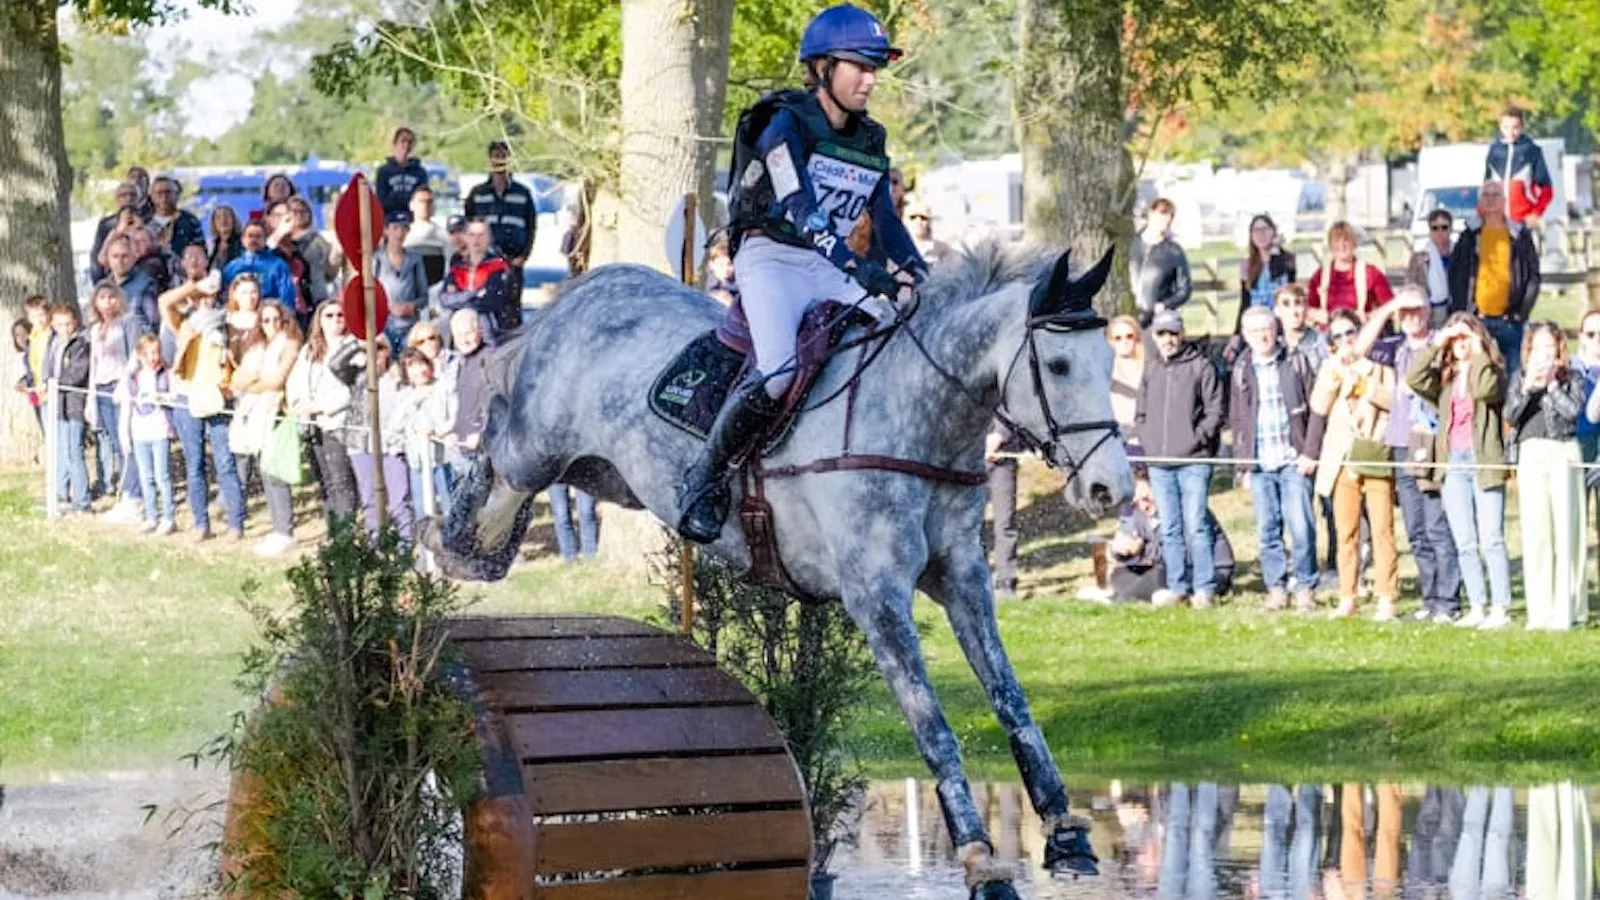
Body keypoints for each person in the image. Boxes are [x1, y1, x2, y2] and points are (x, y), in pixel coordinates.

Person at [675, 4, 926, 543]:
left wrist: (916, 272)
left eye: (875, 67)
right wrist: (866, 273)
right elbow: (801, 209)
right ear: (820, 69)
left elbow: (883, 218)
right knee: (779, 372)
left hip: (824, 263)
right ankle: (705, 478)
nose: (870, 78)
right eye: (858, 65)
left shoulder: (870, 138)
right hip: (771, 258)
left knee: (887, 338)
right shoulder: (783, 124)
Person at [1357, 288, 1461, 623]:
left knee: (1436, 524)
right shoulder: (1397, 347)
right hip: (1402, 442)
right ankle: (1431, 599)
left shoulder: (1441, 344)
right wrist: (1389, 307)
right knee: (1415, 527)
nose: (1412, 317)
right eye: (1407, 312)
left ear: (1429, 311)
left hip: (1430, 442)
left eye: (1417, 310)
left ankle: (1448, 600)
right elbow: (1361, 348)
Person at [1407, 314, 1512, 630]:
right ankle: (1477, 604)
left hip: (1483, 462)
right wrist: (1438, 340)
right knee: (1464, 540)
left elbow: (1484, 392)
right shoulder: (1445, 380)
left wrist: (1480, 352)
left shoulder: (1492, 371)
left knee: (1491, 538)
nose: (1461, 345)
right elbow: (1414, 377)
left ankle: (1500, 607)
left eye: (1466, 338)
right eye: (1457, 340)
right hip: (1452, 462)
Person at [1309, 309, 1398, 620]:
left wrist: (1367, 387)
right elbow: (1318, 407)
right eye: (1338, 335)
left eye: (1351, 333)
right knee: (1345, 531)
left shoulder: (1381, 369)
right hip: (1341, 460)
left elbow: (1398, 410)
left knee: (1382, 528)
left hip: (1373, 455)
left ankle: (1387, 596)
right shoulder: (1329, 370)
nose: (1346, 339)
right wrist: (1337, 377)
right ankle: (1348, 596)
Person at [1230, 306, 1319, 613]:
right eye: (1254, 331)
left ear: (1276, 329)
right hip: (1260, 463)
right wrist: (1242, 465)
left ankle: (1305, 585)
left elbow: (1316, 409)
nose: (1262, 336)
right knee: (1268, 529)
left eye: (1266, 329)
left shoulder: (1295, 362)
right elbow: (1238, 421)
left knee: (1301, 527)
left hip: (1293, 459)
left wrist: (1310, 451)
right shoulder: (1242, 368)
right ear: (1245, 335)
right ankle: (1276, 587)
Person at [1134, 311, 1224, 608]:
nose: (1168, 339)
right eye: (1161, 334)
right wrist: (1148, 441)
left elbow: (1215, 412)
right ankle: (1177, 586)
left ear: (1182, 334)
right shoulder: (1150, 369)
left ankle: (1204, 588)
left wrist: (1196, 439)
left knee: (1196, 525)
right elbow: (1141, 413)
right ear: (1154, 337)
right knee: (1170, 527)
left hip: (1194, 462)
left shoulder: (1201, 367)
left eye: (1173, 333)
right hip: (1160, 463)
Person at [1509, 321, 1587, 631]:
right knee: (1536, 532)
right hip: (1532, 452)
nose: (1543, 353)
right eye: (1538, 347)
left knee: (1568, 531)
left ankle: (1569, 608)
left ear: (1558, 350)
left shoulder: (1573, 379)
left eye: (1549, 347)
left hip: (1563, 451)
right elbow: (1511, 415)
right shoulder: (1520, 378)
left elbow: (1571, 413)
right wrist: (1529, 386)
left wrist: (1552, 386)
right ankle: (1539, 611)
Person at [160, 267, 247, 541]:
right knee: (194, 463)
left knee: (225, 461)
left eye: (212, 296)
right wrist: (195, 285)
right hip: (187, 396)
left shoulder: (227, 323)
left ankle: (236, 523)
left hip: (219, 397)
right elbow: (164, 302)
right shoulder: (184, 324)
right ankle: (201, 523)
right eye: (201, 298)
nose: (207, 301)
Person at [1091, 468, 1236, 603]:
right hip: (1167, 570)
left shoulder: (1186, 511)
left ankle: (1121, 597)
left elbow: (1183, 555)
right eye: (1137, 501)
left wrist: (1143, 552)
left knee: (1159, 575)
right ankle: (1137, 593)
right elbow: (1134, 547)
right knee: (1120, 574)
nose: (1143, 505)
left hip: (1208, 571)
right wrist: (1120, 552)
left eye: (1147, 498)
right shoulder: (1140, 515)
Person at [1446, 180, 1540, 381]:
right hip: (1477, 319)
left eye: (1495, 195)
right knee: (1478, 378)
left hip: (1510, 321)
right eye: (1486, 195)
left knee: (1515, 379)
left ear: (1504, 201)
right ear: (1480, 201)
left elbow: (1533, 276)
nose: (1490, 200)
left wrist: (1521, 312)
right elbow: (1456, 274)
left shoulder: (1518, 234)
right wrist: (1462, 310)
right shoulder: (1470, 235)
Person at [287, 299, 362, 524]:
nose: (335, 320)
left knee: (342, 481)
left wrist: (322, 407)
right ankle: (333, 533)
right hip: (312, 424)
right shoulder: (309, 349)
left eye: (340, 315)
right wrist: (300, 405)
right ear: (319, 319)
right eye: (328, 316)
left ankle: (346, 536)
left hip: (339, 423)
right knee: (325, 481)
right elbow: (295, 382)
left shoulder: (354, 347)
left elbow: (354, 390)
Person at [342, 335, 414, 541]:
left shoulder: (399, 376)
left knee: (399, 498)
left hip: (392, 445)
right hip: (360, 444)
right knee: (370, 498)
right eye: (369, 350)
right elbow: (335, 363)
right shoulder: (355, 376)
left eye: (380, 348)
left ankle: (405, 545)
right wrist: (357, 344)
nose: (374, 353)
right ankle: (374, 543)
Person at [250, 302, 304, 557]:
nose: (272, 326)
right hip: (262, 412)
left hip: (282, 412)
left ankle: (285, 531)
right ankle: (277, 527)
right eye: (266, 320)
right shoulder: (262, 348)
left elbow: (276, 380)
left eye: (276, 320)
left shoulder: (290, 344)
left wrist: (251, 385)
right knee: (266, 471)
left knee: (277, 472)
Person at [86, 283, 141, 522]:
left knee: (127, 441)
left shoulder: (128, 322)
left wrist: (124, 381)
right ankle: (126, 491)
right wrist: (90, 396)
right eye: (102, 297)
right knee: (114, 444)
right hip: (101, 388)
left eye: (111, 297)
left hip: (122, 388)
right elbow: (93, 364)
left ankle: (134, 496)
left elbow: (135, 355)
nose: (107, 302)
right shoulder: (95, 329)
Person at [465, 140, 535, 307]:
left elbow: (531, 227)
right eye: (496, 156)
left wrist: (523, 256)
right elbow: (468, 225)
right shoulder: (478, 193)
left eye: (503, 156)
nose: (499, 160)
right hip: (485, 262)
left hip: (513, 261)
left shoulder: (522, 193)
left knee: (511, 311)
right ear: (489, 159)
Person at [121, 334, 176, 535]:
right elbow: (126, 403)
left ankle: (168, 516)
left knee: (162, 475)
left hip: (160, 429)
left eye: (156, 353)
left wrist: (160, 397)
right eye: (147, 354)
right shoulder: (134, 377)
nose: (152, 358)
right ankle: (151, 515)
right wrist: (125, 433)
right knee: (146, 476)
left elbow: (174, 397)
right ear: (139, 356)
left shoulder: (166, 374)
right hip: (139, 431)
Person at [44, 301, 92, 516]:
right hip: (57, 405)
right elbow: (47, 367)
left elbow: (77, 373)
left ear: (75, 323)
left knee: (75, 452)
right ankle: (61, 494)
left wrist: (56, 383)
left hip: (74, 405)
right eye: (60, 325)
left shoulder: (81, 344)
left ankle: (82, 501)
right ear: (53, 325)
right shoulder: (53, 342)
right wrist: (46, 382)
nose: (65, 329)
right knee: (61, 451)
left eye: (68, 324)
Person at [398, 347, 454, 524]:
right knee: (422, 513)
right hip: (418, 463)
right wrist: (414, 401)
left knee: (450, 507)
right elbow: (395, 424)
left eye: (422, 363)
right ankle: (426, 550)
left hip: (443, 459)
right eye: (411, 366)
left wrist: (438, 431)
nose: (419, 369)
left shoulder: (442, 386)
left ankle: (456, 549)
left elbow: (453, 416)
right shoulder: (405, 395)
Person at [439, 219, 514, 345]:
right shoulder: (457, 267)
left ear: (489, 238)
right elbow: (444, 299)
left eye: (481, 235)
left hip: (488, 333)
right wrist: (472, 294)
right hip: (458, 331)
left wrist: (458, 299)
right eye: (472, 235)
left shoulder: (498, 266)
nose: (476, 240)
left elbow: (491, 301)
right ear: (466, 238)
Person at [1306, 221, 1393, 324]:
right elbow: (1307, 309)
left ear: (1354, 244)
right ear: (1330, 245)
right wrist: (1317, 315)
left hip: (1362, 332)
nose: (1341, 245)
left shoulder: (1371, 273)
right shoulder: (1319, 276)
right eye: (1336, 241)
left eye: (1346, 240)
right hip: (1329, 333)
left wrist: (1369, 316)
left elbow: (1390, 306)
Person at [443, 309, 491, 488]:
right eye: (458, 335)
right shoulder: (459, 362)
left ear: (480, 330)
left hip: (484, 448)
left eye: (468, 333)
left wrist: (482, 434)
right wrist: (453, 430)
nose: (464, 340)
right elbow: (462, 403)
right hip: (462, 446)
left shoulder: (490, 358)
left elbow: (497, 402)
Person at [1484, 104, 1553, 225]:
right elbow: (1486, 187)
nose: (1511, 132)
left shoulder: (1532, 151)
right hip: (1497, 222)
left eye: (1515, 127)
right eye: (1506, 127)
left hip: (1523, 222)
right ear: (1500, 127)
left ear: (1521, 127)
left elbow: (1547, 189)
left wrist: (1536, 213)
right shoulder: (1494, 151)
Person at [1129, 198, 1192, 327]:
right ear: (1151, 214)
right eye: (1162, 213)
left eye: (1169, 216)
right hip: (1128, 316)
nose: (1164, 220)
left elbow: (1184, 289)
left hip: (1157, 319)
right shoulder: (1131, 245)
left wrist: (1164, 305)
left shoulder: (1174, 252)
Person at [376, 209, 430, 351]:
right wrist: (389, 307)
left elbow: (424, 296)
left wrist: (412, 306)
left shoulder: (415, 259)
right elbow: (369, 296)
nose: (399, 233)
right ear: (386, 230)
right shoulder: (376, 260)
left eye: (404, 228)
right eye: (395, 228)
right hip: (385, 327)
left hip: (410, 326)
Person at [1232, 213, 1296, 334]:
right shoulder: (1247, 265)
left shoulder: (1287, 260)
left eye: (1265, 229)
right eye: (1256, 230)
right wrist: (1236, 333)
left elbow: (1275, 274)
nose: (1261, 234)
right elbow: (1245, 301)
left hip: (1280, 323)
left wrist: (1275, 249)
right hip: (1256, 323)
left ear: (1273, 232)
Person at [222, 219, 297, 307]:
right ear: (242, 240)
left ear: (265, 240)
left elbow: (287, 297)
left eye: (258, 236)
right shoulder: (232, 267)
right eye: (250, 236)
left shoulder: (278, 265)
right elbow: (224, 295)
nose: (254, 240)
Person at [985, 421, 1022, 599]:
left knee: (1005, 524)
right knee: (970, 523)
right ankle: (975, 578)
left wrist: (1000, 435)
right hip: (970, 456)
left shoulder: (1009, 392)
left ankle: (1006, 582)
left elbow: (1014, 411)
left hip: (1004, 459)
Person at [103, 235, 160, 337]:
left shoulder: (146, 285)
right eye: (115, 256)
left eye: (124, 256)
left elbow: (153, 326)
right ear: (108, 259)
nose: (119, 261)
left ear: (134, 258)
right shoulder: (103, 289)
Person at [1406, 209, 1454, 325]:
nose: (1440, 232)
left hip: (1455, 309)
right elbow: (1411, 286)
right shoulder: (1419, 258)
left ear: (1450, 229)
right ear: (1429, 230)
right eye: (1435, 228)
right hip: (1430, 312)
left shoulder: (1459, 254)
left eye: (1444, 227)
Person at [89, 182, 141, 283]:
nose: (128, 198)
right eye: (123, 195)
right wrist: (118, 232)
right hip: (113, 273)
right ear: (117, 200)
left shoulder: (147, 220)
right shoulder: (106, 224)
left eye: (132, 195)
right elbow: (98, 256)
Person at [287, 195, 334, 306]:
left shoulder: (318, 240)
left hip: (316, 295)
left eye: (303, 211)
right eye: (294, 211)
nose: (299, 214)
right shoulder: (282, 241)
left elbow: (329, 272)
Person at [1106, 315, 1144, 445]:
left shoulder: (1149, 367)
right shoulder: (1105, 370)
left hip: (1145, 441)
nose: (1125, 341)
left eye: (1129, 336)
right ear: (1110, 341)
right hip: (1115, 440)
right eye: (1118, 338)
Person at [1274, 284, 1328, 371]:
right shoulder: (1274, 345)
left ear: (1306, 308)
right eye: (1286, 304)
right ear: (1277, 311)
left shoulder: (1321, 342)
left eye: (1298, 304)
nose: (1293, 311)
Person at [376, 127, 429, 216]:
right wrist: (402, 198)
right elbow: (381, 200)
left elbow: (422, 199)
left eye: (410, 142)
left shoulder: (420, 172)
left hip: (412, 220)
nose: (406, 145)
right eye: (403, 141)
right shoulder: (384, 171)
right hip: (390, 220)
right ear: (395, 143)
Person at [147, 176, 204, 259]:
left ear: (177, 194)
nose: (164, 197)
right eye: (159, 193)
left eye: (168, 192)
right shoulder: (143, 222)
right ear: (151, 196)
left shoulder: (190, 220)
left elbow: (200, 250)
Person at [903, 195, 955, 267]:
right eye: (913, 217)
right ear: (904, 220)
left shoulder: (943, 249)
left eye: (923, 217)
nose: (918, 221)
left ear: (930, 221)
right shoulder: (897, 247)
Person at [208, 204, 244, 273]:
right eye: (218, 217)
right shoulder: (212, 247)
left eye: (227, 216)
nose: (223, 220)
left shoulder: (242, 243)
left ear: (234, 220)